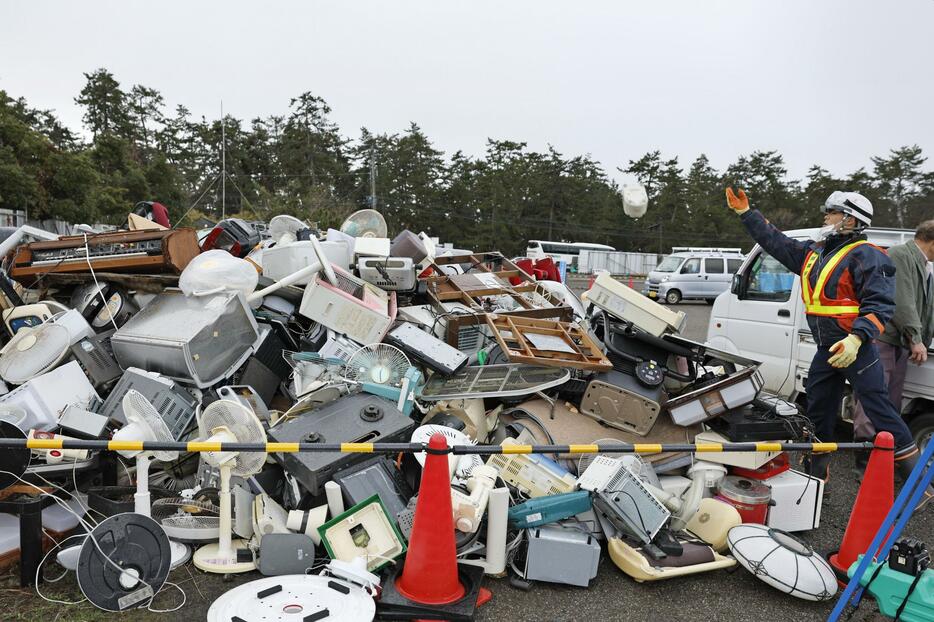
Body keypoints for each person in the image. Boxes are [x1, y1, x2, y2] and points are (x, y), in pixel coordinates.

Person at [725, 187, 933, 506]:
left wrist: (857, 338)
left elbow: (880, 306)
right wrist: (747, 214)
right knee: (819, 411)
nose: (826, 216)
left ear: (850, 219)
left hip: (857, 347)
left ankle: (919, 485)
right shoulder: (814, 253)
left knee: (880, 410)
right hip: (827, 349)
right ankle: (816, 475)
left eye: (832, 211)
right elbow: (775, 241)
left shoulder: (870, 255)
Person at [852, 221, 934, 480]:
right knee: (872, 398)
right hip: (883, 338)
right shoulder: (900, 254)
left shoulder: (922, 263)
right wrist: (916, 337)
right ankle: (864, 460)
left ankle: (883, 456)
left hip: (898, 341)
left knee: (890, 401)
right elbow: (902, 301)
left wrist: (917, 337)